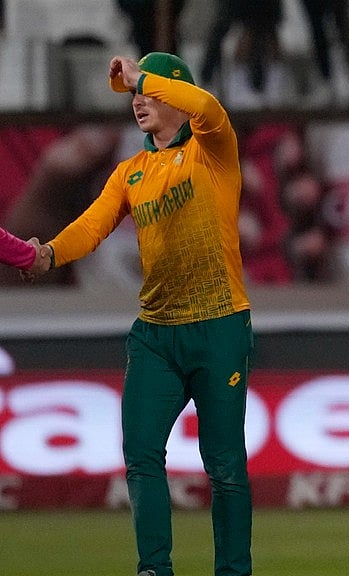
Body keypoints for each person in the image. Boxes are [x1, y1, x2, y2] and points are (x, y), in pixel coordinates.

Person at [28, 52, 254, 576]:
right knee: (142, 457)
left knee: (224, 468)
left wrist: (139, 75)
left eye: (150, 93)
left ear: (175, 95)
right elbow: (91, 225)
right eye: (134, 95)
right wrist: (49, 254)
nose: (138, 101)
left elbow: (207, 105)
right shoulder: (130, 173)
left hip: (219, 325)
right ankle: (154, 569)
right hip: (155, 335)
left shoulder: (213, 149)